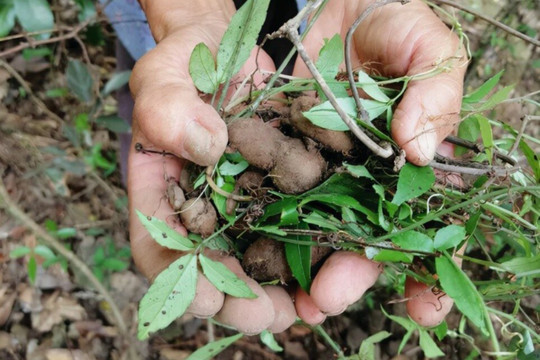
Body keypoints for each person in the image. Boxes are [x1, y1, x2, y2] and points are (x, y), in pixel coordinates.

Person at [124, 0, 467, 335]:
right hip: (182, 57)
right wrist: (189, 12)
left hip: (310, 30)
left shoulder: (309, 144)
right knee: (165, 113)